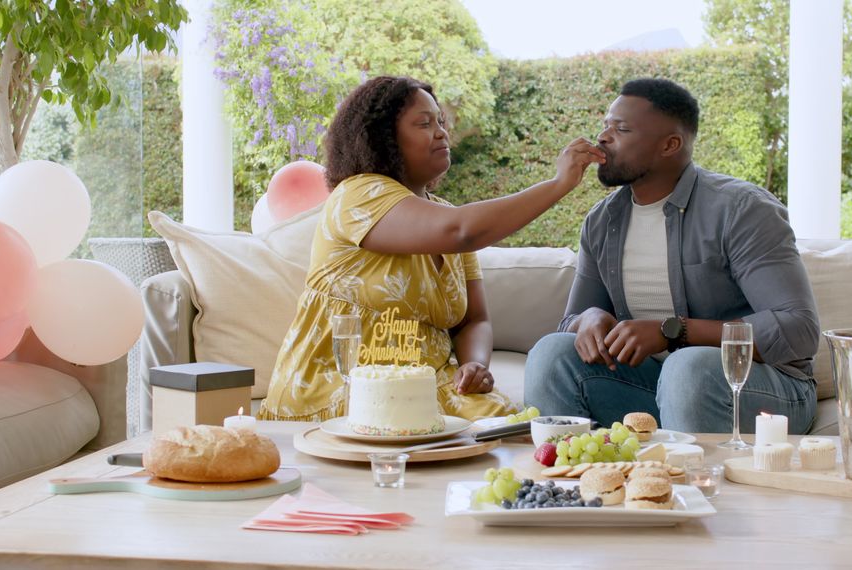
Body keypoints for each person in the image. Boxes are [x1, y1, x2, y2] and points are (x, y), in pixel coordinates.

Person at [259, 76, 604, 422]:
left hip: (426, 391)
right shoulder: (358, 195)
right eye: (424, 123)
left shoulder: (448, 217)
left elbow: (475, 319)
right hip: (343, 387)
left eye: (440, 121)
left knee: (509, 427)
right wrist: (559, 184)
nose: (441, 132)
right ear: (383, 139)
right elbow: (461, 231)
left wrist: (473, 364)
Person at [524, 78, 819, 434]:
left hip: (759, 390)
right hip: (657, 387)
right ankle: (573, 485)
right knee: (551, 354)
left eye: (621, 129)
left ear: (670, 145)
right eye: (605, 125)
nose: (603, 137)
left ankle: (693, 487)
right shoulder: (603, 222)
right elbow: (570, 321)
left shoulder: (741, 209)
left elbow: (798, 329)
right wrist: (586, 319)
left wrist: (673, 333)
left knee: (688, 367)